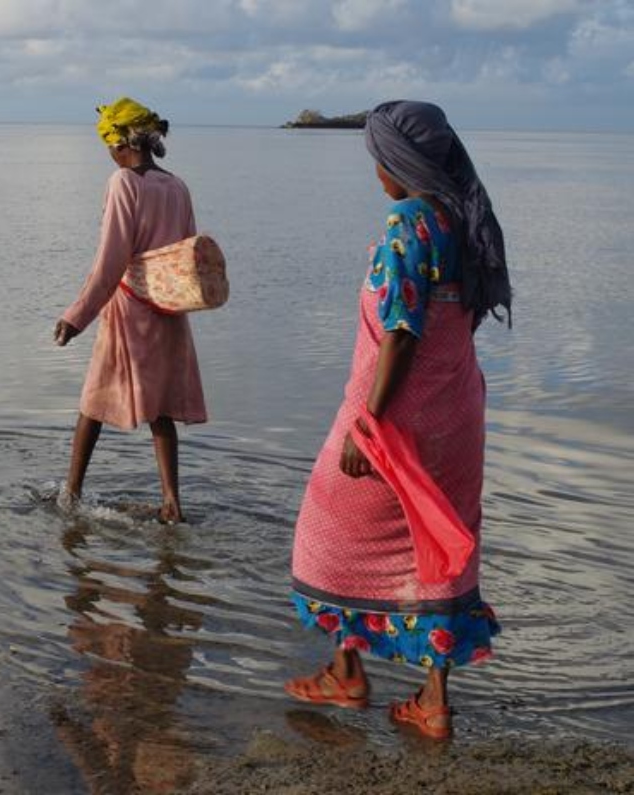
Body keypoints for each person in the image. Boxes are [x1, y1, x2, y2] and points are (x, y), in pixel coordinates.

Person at [285, 101, 511, 739]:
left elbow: (402, 333)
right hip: (457, 413)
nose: (375, 171)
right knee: (437, 541)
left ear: (399, 161)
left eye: (377, 158)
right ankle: (431, 700)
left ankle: (346, 673)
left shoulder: (408, 221)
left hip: (399, 417)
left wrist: (366, 424)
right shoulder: (464, 220)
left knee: (326, 532)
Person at [54, 98, 207, 523]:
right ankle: (172, 502)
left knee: (92, 402)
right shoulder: (176, 186)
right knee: (160, 410)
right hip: (169, 308)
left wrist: (76, 316)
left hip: (129, 310)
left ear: (119, 142)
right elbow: (187, 250)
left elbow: (111, 260)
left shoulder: (124, 183)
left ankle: (71, 494)